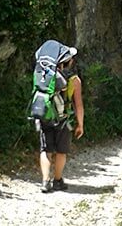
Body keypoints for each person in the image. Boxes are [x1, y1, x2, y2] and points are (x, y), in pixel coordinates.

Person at [39, 46, 84, 193]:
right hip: (64, 119)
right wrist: (80, 125)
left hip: (46, 117)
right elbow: (79, 105)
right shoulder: (74, 80)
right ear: (69, 61)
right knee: (61, 151)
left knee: (46, 149)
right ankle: (58, 180)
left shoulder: (45, 75)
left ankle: (45, 181)